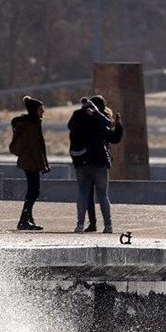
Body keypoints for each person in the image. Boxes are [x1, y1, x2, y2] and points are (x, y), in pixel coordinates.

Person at [68, 94, 123, 233]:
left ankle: (80, 225)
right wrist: (118, 125)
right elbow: (114, 138)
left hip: (81, 161)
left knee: (83, 193)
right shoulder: (99, 122)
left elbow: (69, 127)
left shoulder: (77, 119)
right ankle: (108, 226)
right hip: (99, 163)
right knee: (103, 195)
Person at [9, 95, 50, 231]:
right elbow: (35, 147)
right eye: (40, 109)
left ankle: (28, 219)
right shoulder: (32, 125)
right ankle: (24, 220)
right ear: (34, 110)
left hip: (28, 160)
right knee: (34, 191)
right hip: (30, 161)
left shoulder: (30, 122)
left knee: (33, 190)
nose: (42, 111)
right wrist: (43, 166)